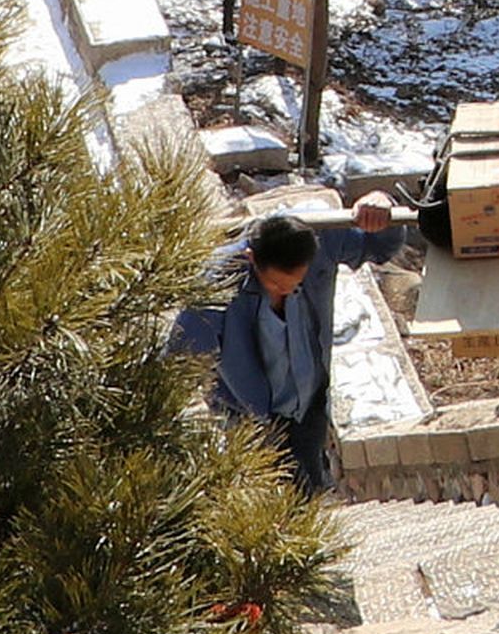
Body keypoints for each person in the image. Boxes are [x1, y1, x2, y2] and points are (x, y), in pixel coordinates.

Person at [170, 190, 401, 494]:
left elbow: (382, 245)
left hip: (308, 403)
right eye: (276, 285)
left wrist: (381, 205)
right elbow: (178, 358)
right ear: (252, 259)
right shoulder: (218, 282)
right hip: (250, 417)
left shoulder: (321, 242)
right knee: (270, 502)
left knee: (308, 490)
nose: (286, 292)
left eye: (296, 285)